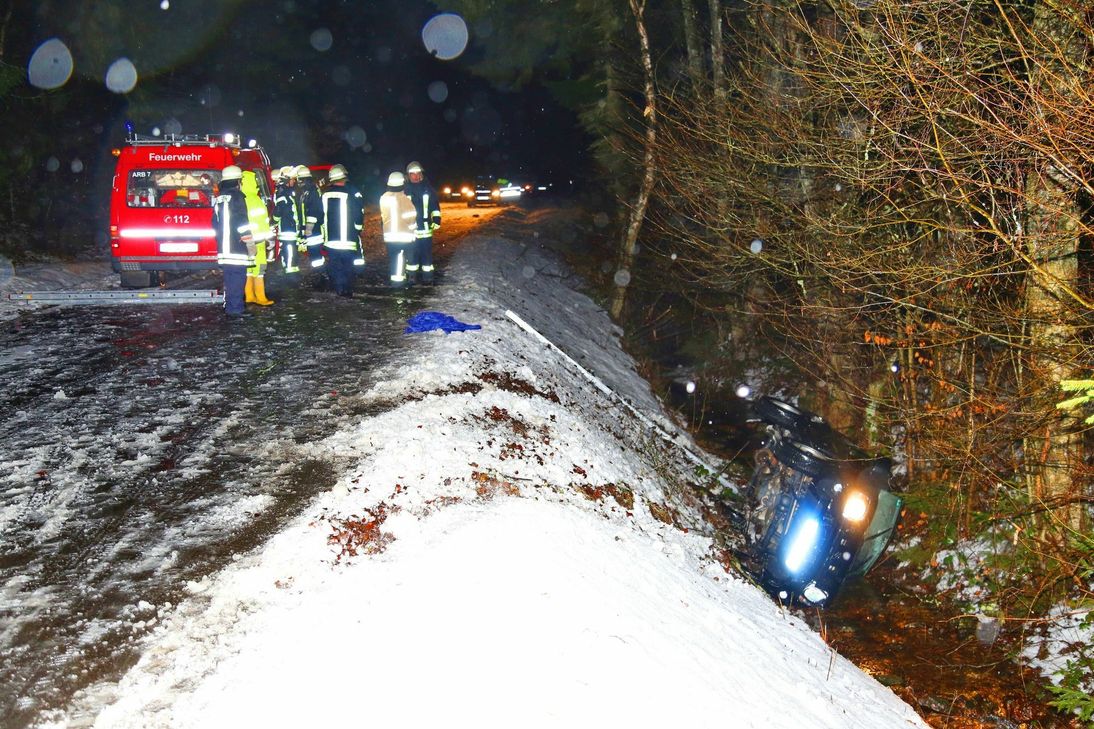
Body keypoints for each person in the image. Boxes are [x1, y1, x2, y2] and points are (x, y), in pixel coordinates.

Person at [212, 165, 254, 319]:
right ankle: (236, 310)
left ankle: (231, 307)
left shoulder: (219, 199)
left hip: (224, 248)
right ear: (237, 181)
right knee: (237, 279)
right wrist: (249, 243)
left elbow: (214, 224)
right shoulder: (237, 197)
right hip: (236, 247)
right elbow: (242, 223)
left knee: (230, 279)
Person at [320, 163, 364, 297]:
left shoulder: (324, 195)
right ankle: (347, 290)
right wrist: (358, 230)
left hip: (331, 241)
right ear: (344, 177)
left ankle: (339, 289)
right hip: (348, 239)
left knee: (336, 265)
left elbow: (321, 215)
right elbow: (358, 215)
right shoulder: (351, 193)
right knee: (347, 266)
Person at [241, 170, 275, 306]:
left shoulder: (240, 200)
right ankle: (261, 297)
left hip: (245, 242)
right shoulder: (257, 200)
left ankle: (249, 296)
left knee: (248, 270)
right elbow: (263, 223)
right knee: (260, 270)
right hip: (259, 242)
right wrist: (270, 239)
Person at [404, 160, 441, 284]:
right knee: (411, 254)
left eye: (417, 173)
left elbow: (435, 206)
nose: (415, 176)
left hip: (425, 227)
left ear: (421, 174)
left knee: (426, 254)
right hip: (410, 229)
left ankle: (428, 276)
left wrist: (436, 219)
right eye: (412, 174)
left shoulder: (428, 189)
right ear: (408, 176)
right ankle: (412, 276)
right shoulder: (405, 191)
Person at [379, 171, 417, 288]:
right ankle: (398, 282)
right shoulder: (404, 198)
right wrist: (413, 229)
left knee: (394, 257)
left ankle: (396, 279)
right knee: (401, 257)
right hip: (404, 235)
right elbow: (410, 216)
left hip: (390, 235)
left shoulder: (383, 197)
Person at [296, 165, 325, 273]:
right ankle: (319, 274)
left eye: (299, 180)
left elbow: (314, 210)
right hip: (309, 230)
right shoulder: (306, 192)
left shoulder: (312, 191)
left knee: (316, 254)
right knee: (313, 255)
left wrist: (308, 228)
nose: (298, 183)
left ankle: (321, 276)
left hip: (314, 230)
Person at [273, 165, 301, 277]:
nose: (294, 181)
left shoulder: (286, 192)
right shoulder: (283, 193)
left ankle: (292, 274)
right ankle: (291, 277)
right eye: (293, 179)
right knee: (289, 252)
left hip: (290, 228)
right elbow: (279, 211)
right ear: (287, 180)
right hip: (287, 229)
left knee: (291, 252)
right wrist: (275, 221)